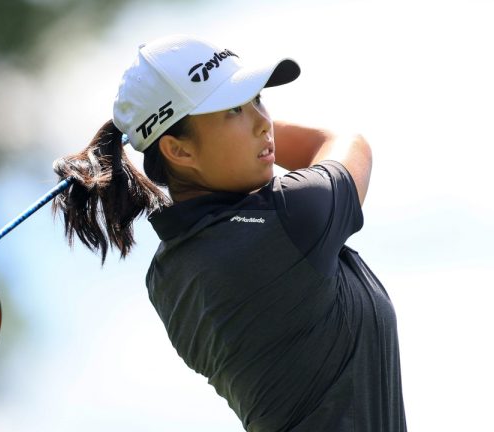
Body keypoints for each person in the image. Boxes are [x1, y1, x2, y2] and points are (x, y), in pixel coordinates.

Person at [52, 34, 406, 432]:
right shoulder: (287, 221)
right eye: (234, 109)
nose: (263, 123)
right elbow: (344, 143)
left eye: (258, 100)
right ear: (179, 151)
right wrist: (260, 139)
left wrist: (243, 129)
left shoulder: (168, 273)